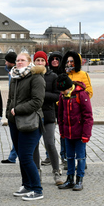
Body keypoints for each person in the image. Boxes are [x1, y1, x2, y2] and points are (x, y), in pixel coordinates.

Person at [7, 53, 46, 201]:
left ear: (29, 62)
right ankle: (27, 185)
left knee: (26, 156)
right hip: (15, 121)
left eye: (23, 60)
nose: (19, 62)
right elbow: (11, 98)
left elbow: (37, 101)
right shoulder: (15, 77)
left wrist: (18, 109)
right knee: (22, 156)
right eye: (17, 60)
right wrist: (8, 114)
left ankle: (37, 189)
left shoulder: (36, 77)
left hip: (31, 121)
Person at [56, 74, 93, 191]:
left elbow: (88, 116)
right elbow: (60, 116)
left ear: (69, 87)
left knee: (81, 157)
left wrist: (86, 134)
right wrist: (62, 132)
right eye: (61, 91)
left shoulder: (81, 94)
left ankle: (79, 179)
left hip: (80, 133)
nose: (62, 92)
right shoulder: (62, 96)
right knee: (69, 157)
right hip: (68, 133)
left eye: (64, 90)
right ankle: (70, 179)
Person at [32, 51, 63, 186]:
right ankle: (37, 172)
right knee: (34, 145)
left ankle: (56, 171)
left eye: (42, 61)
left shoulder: (53, 76)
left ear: (46, 62)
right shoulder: (30, 76)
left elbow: (57, 96)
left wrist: (41, 94)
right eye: (37, 60)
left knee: (50, 143)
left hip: (48, 115)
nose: (39, 63)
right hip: (33, 115)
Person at [47, 51, 66, 168]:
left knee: (63, 133)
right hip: (50, 106)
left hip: (62, 106)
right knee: (49, 134)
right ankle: (49, 156)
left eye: (57, 59)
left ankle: (64, 155)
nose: (54, 61)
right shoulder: (47, 73)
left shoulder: (64, 73)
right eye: (52, 59)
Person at [1, 51, 18, 164]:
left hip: (16, 108)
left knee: (17, 136)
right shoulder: (11, 72)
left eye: (6, 61)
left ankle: (13, 157)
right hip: (13, 107)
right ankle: (12, 157)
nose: (5, 63)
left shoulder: (14, 73)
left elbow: (14, 93)